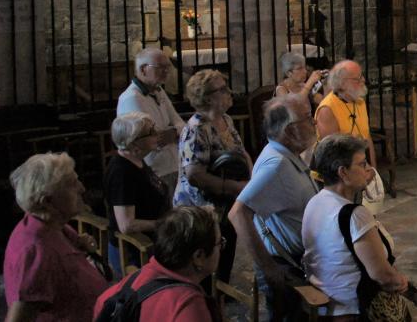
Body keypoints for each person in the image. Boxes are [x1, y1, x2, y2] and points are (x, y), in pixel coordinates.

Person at [229, 95, 319, 321]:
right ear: (289, 131)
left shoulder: (286, 156)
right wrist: (269, 268)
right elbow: (238, 213)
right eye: (307, 118)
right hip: (285, 266)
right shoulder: (276, 164)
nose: (314, 123)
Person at [302, 134, 409, 318]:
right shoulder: (356, 216)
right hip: (351, 308)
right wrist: (400, 282)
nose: (369, 170)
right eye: (362, 164)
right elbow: (381, 275)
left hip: (323, 298)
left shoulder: (314, 202)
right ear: (343, 172)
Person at [3, 153, 108, 322]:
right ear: (47, 202)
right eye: (72, 184)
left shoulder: (50, 224)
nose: (82, 188)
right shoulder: (36, 252)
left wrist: (78, 246)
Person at [174, 69, 252, 283]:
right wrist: (234, 187)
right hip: (202, 208)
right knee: (206, 264)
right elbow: (195, 176)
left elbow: (241, 152)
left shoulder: (225, 119)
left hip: (226, 202)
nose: (230, 92)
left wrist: (251, 178)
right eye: (223, 89)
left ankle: (221, 295)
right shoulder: (197, 129)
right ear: (207, 97)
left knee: (225, 256)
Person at [93, 206, 221, 322]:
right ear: (198, 256)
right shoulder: (189, 307)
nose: (221, 249)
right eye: (220, 243)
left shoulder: (118, 291)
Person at [104, 112, 172, 276]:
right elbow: (127, 225)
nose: (157, 134)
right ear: (134, 144)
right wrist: (165, 223)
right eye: (151, 132)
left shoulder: (137, 160)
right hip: (136, 252)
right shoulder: (122, 172)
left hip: (154, 242)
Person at [117, 47, 186, 193]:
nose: (166, 71)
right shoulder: (131, 98)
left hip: (174, 164)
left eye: (168, 67)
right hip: (155, 170)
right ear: (143, 69)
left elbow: (181, 124)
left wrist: (173, 132)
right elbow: (154, 138)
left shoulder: (159, 91)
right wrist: (173, 132)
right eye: (161, 67)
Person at [315, 60, 376, 168]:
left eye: (361, 76)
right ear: (342, 83)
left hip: (362, 167)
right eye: (357, 79)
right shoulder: (327, 109)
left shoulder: (359, 101)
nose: (363, 80)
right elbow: (334, 152)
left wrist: (373, 169)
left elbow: (367, 138)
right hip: (341, 172)